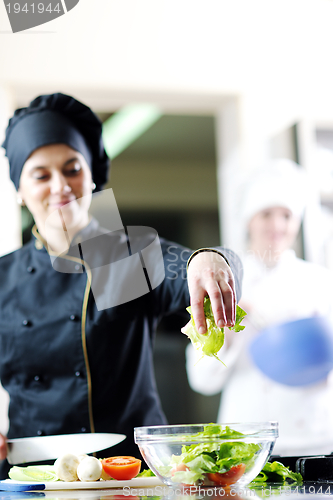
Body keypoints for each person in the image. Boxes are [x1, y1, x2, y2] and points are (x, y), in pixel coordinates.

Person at [0, 93, 242, 479]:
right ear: (19, 189)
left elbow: (188, 268)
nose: (60, 186)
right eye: (41, 175)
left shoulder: (130, 255)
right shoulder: (4, 278)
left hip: (130, 474)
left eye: (72, 168)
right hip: (32, 477)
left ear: (91, 174)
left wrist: (209, 259)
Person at [186, 159, 333, 456]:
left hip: (316, 438)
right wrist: (228, 334)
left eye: (287, 216)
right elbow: (200, 380)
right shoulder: (223, 284)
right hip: (244, 443)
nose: (277, 226)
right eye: (266, 214)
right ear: (249, 220)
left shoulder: (321, 281)